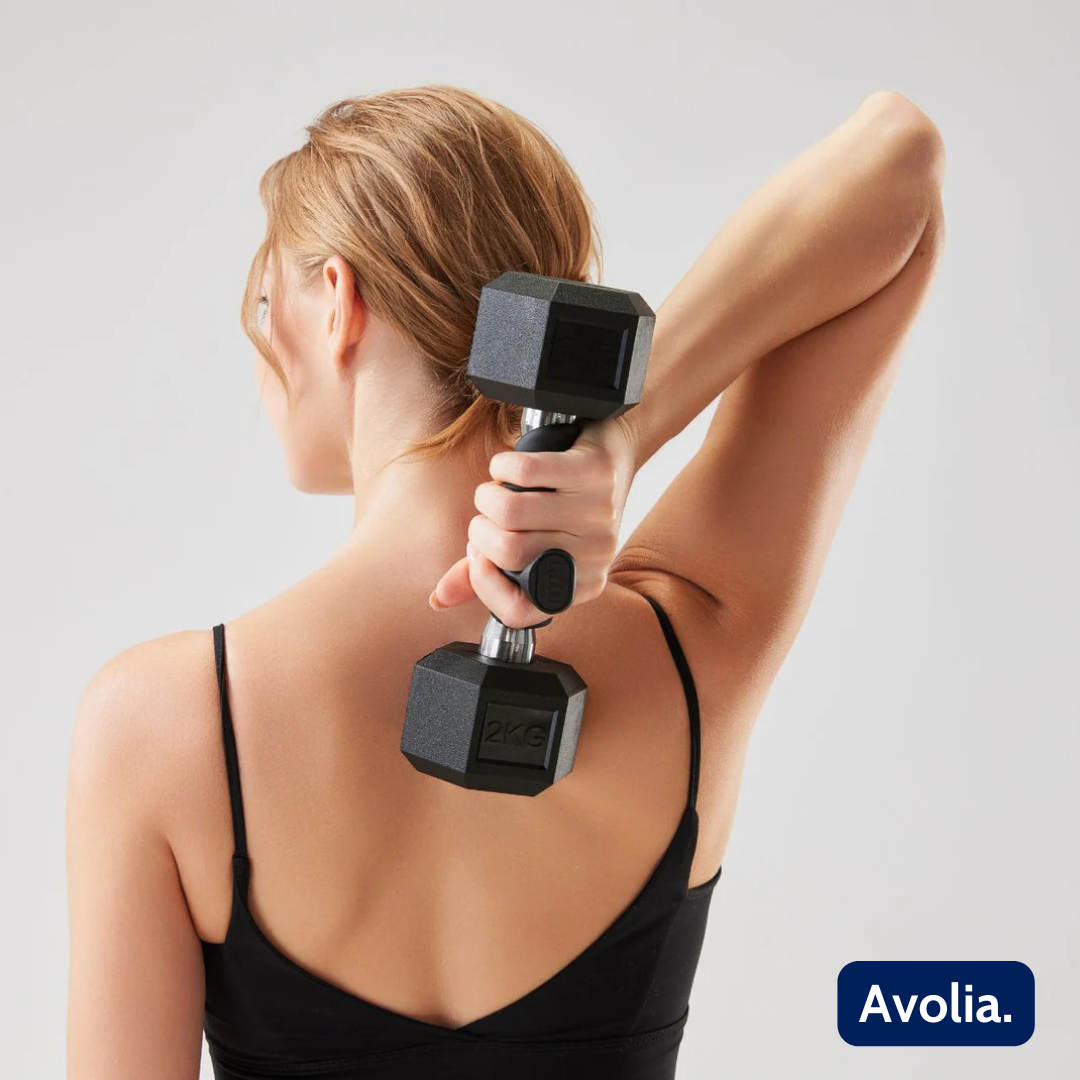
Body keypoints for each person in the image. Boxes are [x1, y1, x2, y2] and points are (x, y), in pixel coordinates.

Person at [65, 85, 945, 1079]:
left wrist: (620, 432)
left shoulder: (164, 722)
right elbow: (900, 163)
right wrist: (624, 428)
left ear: (338, 303)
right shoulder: (690, 648)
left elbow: (897, 157)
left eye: (268, 303)